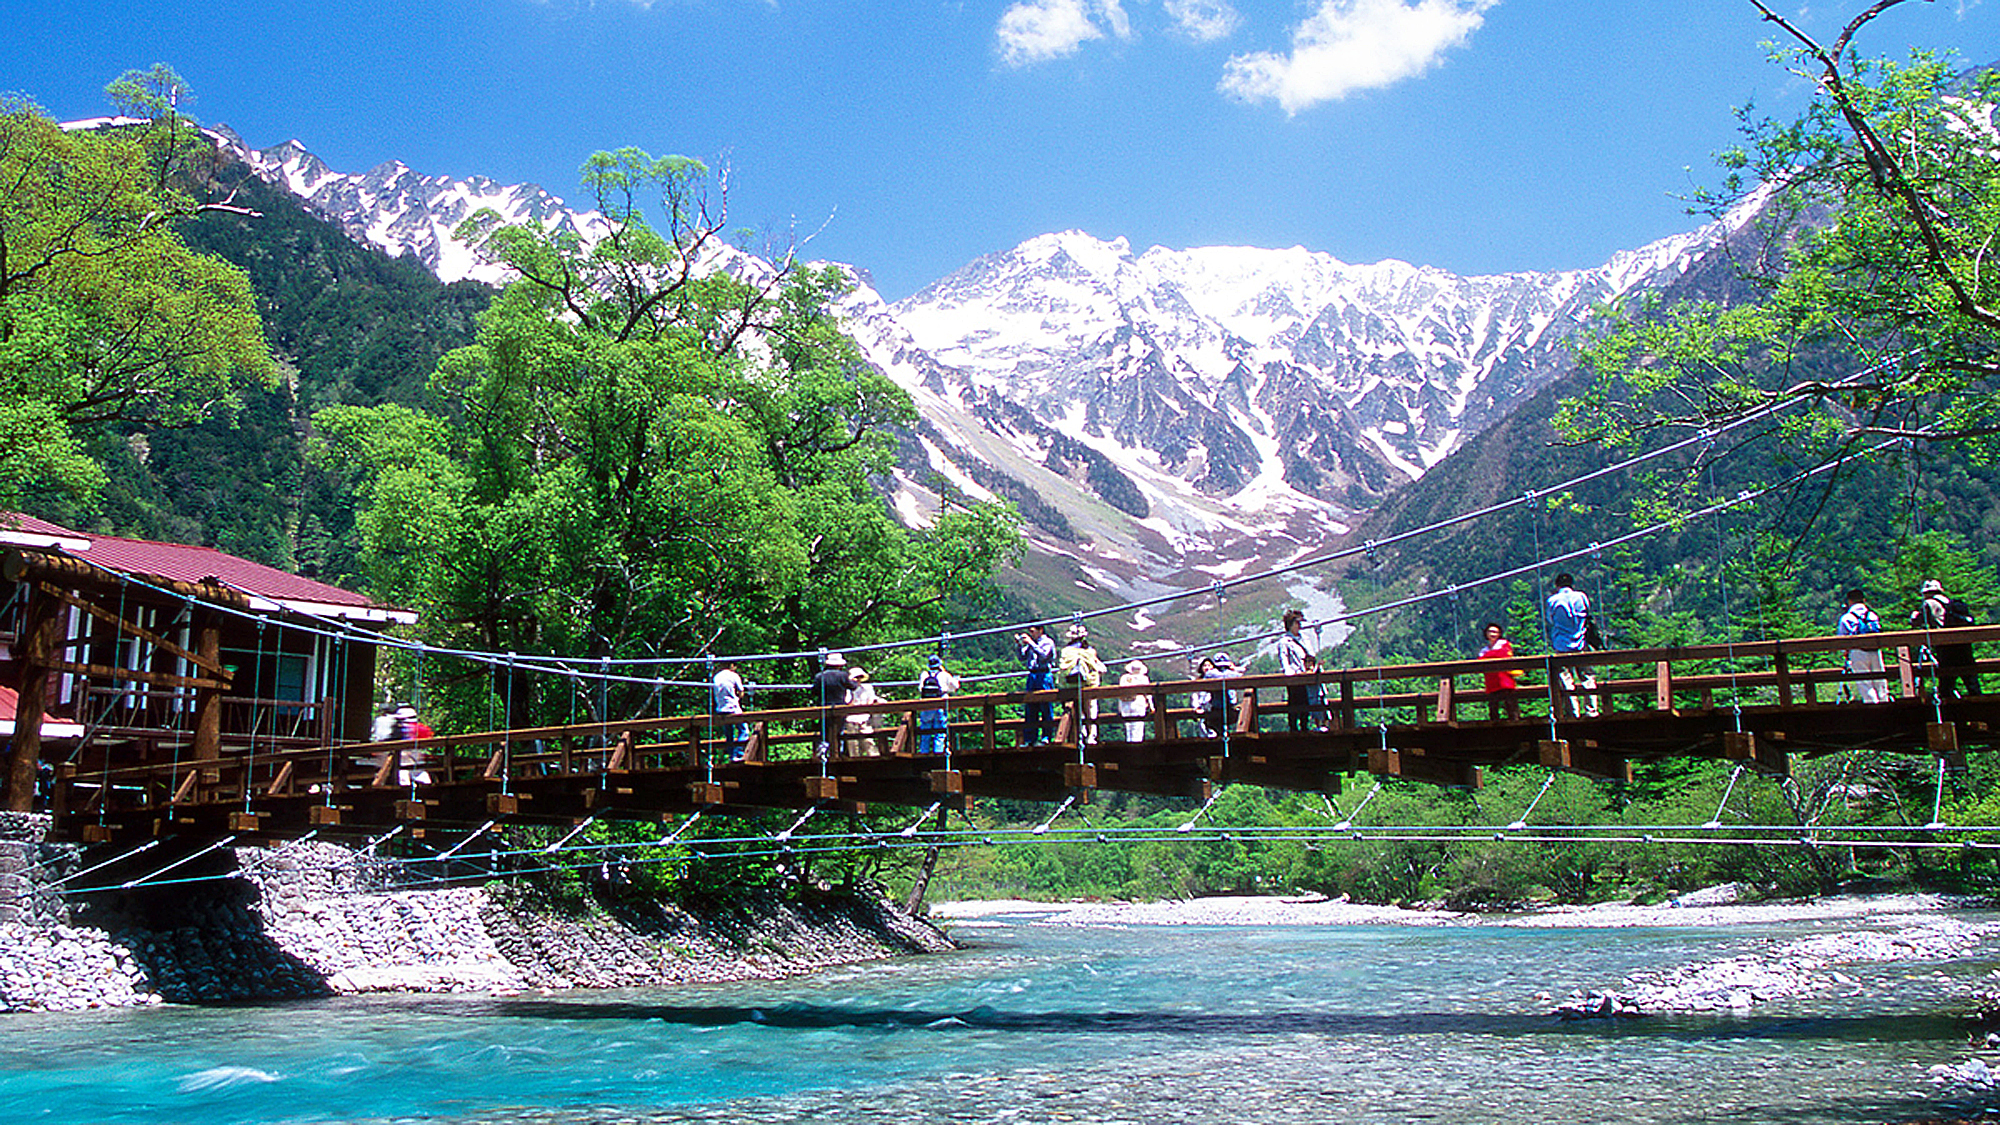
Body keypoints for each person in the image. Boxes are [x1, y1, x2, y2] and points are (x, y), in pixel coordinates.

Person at [1913, 579, 1982, 700]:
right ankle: (1981, 707)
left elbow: (1919, 621)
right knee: (1970, 679)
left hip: (1946, 646)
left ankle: (1950, 713)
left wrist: (1914, 617)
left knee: (1946, 682)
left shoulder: (1929, 603)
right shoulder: (1948, 601)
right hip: (1962, 644)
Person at [1545, 574, 1598, 717]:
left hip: (1562, 644)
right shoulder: (1581, 597)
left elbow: (1550, 620)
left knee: (1566, 679)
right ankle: (1591, 710)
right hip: (1581, 642)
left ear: (1557, 586)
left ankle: (1573, 712)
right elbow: (1587, 614)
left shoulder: (1552, 600)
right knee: (1587, 676)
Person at [1836, 589, 1888, 704]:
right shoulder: (1872, 615)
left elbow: (1841, 639)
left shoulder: (1847, 617)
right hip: (1875, 651)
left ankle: (1872, 706)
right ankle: (1885, 704)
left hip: (1858, 652)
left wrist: (1845, 653)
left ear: (1850, 601)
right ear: (1864, 600)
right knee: (1880, 680)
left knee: (1865, 682)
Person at [1058, 624, 1107, 744]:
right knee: (1090, 710)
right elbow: (1100, 668)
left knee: (1076, 711)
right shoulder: (1090, 651)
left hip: (1070, 686)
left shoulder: (1066, 652)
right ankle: (1091, 736)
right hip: (1089, 685)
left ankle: (1080, 735)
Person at [1016, 623, 1057, 745]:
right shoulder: (1031, 644)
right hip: (1032, 675)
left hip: (1043, 675)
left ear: (1040, 630)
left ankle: (1046, 737)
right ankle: (1030, 738)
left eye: (1033, 631)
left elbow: (1044, 655)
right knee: (1030, 707)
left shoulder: (1047, 642)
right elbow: (1022, 657)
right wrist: (1019, 645)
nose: (1031, 634)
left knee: (1046, 706)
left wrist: (1031, 643)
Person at [813, 653, 856, 759]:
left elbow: (814, 691)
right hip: (839, 707)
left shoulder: (820, 676)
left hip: (823, 707)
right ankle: (837, 753)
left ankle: (823, 752)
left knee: (824, 731)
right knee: (838, 731)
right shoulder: (842, 676)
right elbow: (852, 687)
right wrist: (854, 681)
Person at [1478, 622, 1521, 721]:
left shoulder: (1503, 644)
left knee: (1510, 703)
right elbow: (1481, 661)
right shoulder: (1484, 649)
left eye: (1495, 632)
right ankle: (1494, 723)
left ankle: (1515, 721)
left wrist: (1489, 656)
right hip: (1491, 681)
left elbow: (1503, 655)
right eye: (1490, 632)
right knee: (1493, 705)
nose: (1492, 634)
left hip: (1505, 679)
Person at [1279, 608, 1313, 732]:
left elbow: (1311, 655)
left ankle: (1305, 725)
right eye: (1298, 623)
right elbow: (1284, 659)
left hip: (1305, 675)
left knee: (1306, 701)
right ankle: (1293, 727)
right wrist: (1288, 673)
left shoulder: (1305, 639)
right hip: (1294, 676)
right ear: (1290, 624)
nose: (1300, 626)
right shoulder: (1284, 641)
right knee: (1294, 701)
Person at [917, 654, 958, 756]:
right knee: (939, 732)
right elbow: (955, 686)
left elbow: (920, 688)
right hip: (940, 704)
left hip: (926, 706)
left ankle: (923, 753)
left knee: (925, 731)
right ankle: (938, 753)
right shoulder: (944, 674)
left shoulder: (924, 674)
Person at [711, 659, 751, 760]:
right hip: (733, 707)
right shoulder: (733, 676)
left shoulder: (716, 677)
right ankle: (738, 753)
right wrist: (737, 697)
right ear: (731, 665)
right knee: (744, 730)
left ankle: (731, 754)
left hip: (720, 708)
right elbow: (741, 691)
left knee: (729, 733)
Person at [844, 668, 884, 757]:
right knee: (853, 746)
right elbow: (848, 703)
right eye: (855, 677)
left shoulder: (867, 688)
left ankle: (876, 763)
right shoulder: (847, 691)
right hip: (851, 720)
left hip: (865, 719)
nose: (858, 679)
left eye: (859, 677)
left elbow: (870, 700)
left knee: (869, 743)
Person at [395, 703, 434, 785]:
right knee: (413, 774)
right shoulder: (420, 729)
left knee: (407, 774)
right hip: (411, 758)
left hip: (409, 758)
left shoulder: (398, 730)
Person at [1116, 659, 1153, 742]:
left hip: (1125, 704)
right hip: (1138, 703)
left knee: (1128, 726)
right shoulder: (1144, 678)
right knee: (1137, 726)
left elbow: (1119, 692)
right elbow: (1148, 694)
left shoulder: (1124, 678)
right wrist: (1151, 706)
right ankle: (1137, 745)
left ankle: (1129, 743)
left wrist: (1119, 708)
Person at [1204, 651, 1237, 737]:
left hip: (1216, 707)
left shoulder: (1210, 674)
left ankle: (1220, 734)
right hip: (1230, 707)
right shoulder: (1232, 674)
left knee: (1212, 722)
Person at [1188, 656, 1217, 737]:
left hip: (1213, 708)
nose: (1207, 668)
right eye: (1204, 666)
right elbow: (1195, 695)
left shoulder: (1216, 679)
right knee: (1203, 729)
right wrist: (1196, 707)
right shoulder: (1198, 681)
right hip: (1202, 708)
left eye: (1209, 665)